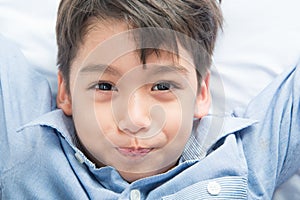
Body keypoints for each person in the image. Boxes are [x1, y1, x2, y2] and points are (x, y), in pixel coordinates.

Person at [0, 0, 299, 199]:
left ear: (201, 93)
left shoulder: (246, 156)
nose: (135, 120)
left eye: (162, 85)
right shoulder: (26, 144)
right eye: (104, 86)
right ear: (64, 91)